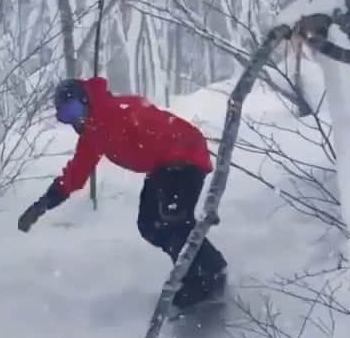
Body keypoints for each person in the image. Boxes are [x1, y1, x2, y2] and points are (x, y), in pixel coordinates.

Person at [18, 77, 227, 309]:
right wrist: (42, 205)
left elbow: (160, 120)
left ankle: (209, 275)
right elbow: (75, 174)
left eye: (74, 109)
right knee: (149, 225)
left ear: (86, 100)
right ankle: (194, 273)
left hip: (185, 156)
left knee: (173, 219)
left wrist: (179, 175)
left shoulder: (120, 111)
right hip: (161, 167)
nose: (75, 118)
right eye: (66, 115)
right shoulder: (93, 134)